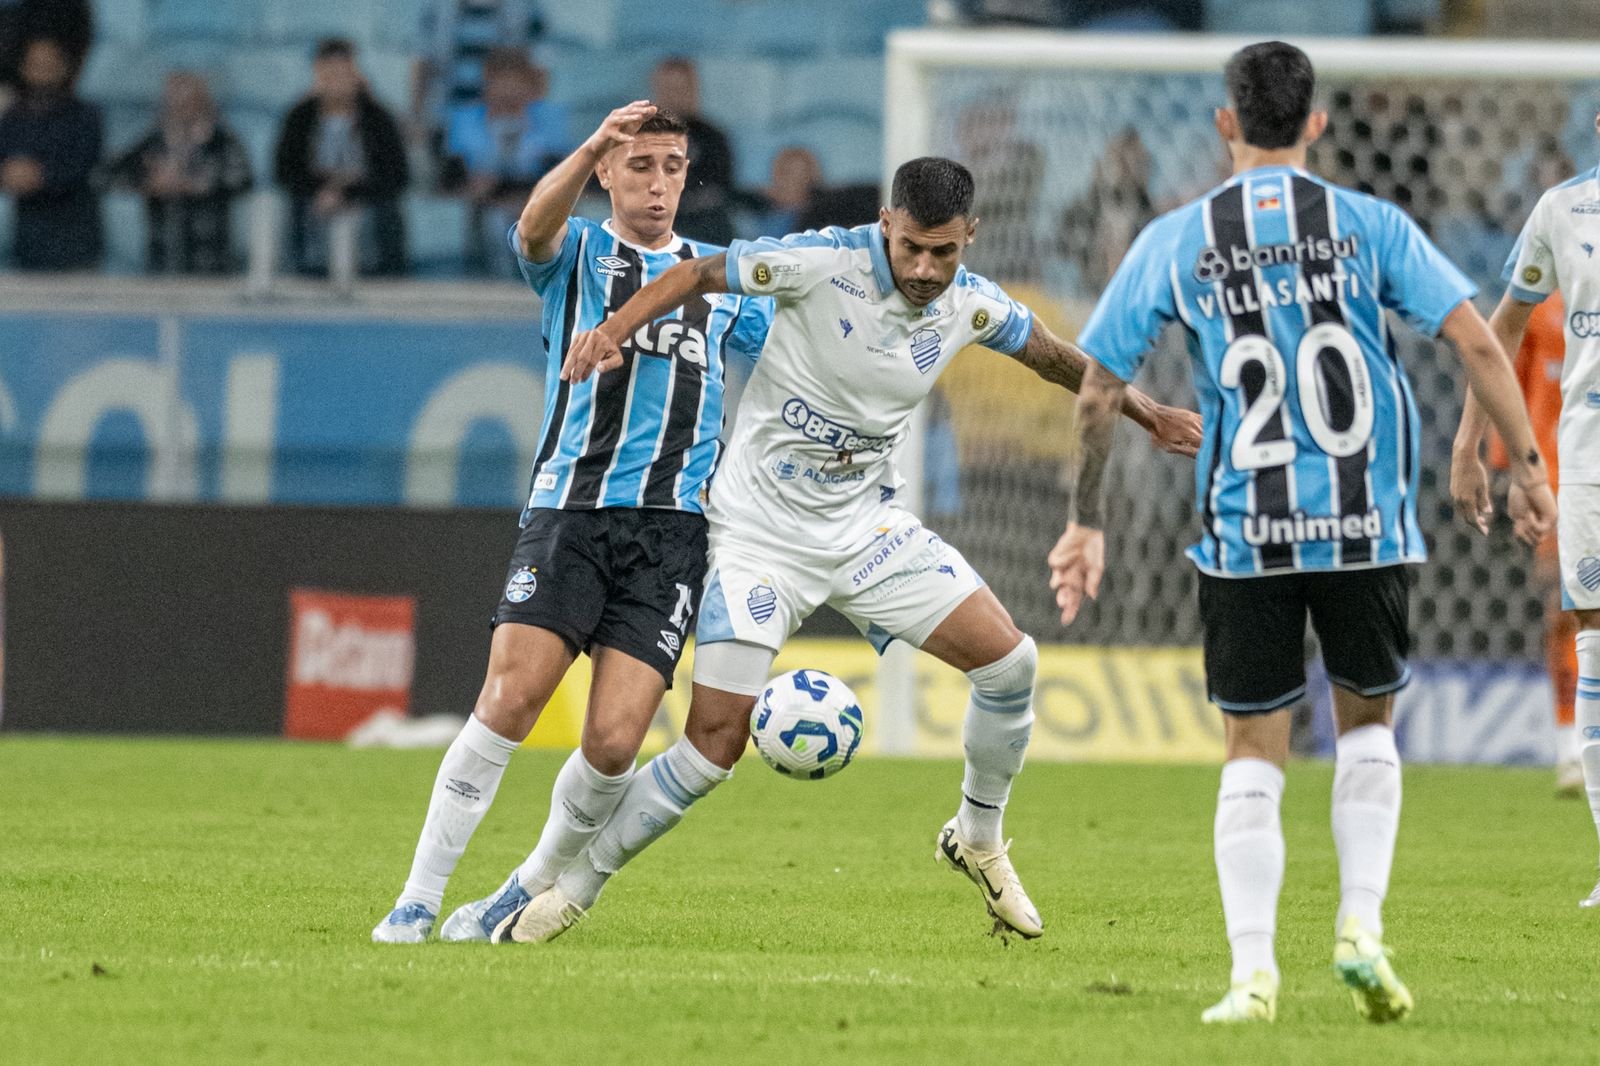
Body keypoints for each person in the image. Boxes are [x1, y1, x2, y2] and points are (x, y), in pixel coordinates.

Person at [486, 156, 1204, 945]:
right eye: (911, 248)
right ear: (887, 225)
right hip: (759, 538)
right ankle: (577, 887)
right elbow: (695, 275)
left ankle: (978, 835)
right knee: (714, 744)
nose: (925, 269)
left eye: (944, 252)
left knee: (1012, 665)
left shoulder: (969, 301)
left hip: (866, 531)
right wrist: (611, 331)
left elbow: (1055, 356)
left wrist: (1151, 414)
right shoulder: (820, 261)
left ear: (970, 237)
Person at [1047, 41, 1555, 1025]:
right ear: (1316, 123)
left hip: (1247, 531)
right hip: (1366, 523)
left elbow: (1099, 389)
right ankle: (1360, 925)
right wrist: (1522, 467)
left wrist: (1085, 519)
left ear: (1225, 124)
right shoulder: (1367, 223)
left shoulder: (1177, 237)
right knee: (1368, 728)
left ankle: (1251, 974)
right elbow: (1477, 342)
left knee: (1251, 747)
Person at [371, 101, 773, 944]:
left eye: (671, 168)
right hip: (572, 513)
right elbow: (531, 228)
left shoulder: (719, 279)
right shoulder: (581, 253)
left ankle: (518, 890)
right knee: (510, 699)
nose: (658, 184)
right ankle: (416, 898)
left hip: (672, 533)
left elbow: (794, 343)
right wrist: (592, 141)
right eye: (639, 166)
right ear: (607, 174)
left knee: (616, 743)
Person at [1451, 110, 1600, 907]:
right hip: (1575, 463)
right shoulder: (1560, 223)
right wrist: (1487, 451)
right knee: (1577, 619)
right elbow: (1499, 340)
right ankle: (1571, 750)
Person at [1478, 294, 1581, 796]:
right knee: (1565, 609)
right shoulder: (1539, 301)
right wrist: (1505, 465)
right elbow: (1509, 378)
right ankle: (1570, 748)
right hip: (1556, 476)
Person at [274, 38, 409, 278]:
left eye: (342, 72)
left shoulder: (378, 118)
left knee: (376, 214)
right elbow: (285, 171)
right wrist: (322, 191)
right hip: (314, 208)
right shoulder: (299, 118)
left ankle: (381, 276)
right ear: (318, 73)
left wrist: (349, 194)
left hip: (368, 209)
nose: (336, 81)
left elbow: (397, 175)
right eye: (329, 73)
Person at [99, 72, 253, 276]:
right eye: (174, 100)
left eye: (189, 100)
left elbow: (243, 179)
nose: (181, 107)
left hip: (210, 260)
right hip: (163, 258)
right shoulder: (153, 142)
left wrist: (197, 184)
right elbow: (105, 176)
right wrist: (148, 183)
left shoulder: (221, 142)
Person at [442, 48, 569, 276]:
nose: (508, 91)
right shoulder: (464, 119)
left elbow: (560, 167)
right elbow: (453, 173)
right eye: (500, 83)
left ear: (530, 86)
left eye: (516, 83)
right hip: (482, 196)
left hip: (534, 193)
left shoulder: (550, 118)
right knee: (495, 216)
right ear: (487, 84)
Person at [0, 36, 100, 271]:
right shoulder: (13, 116)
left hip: (74, 230)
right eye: (36, 65)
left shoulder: (84, 115)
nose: (42, 72)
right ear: (24, 68)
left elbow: (83, 164)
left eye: (48, 64)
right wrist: (8, 174)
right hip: (26, 234)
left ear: (63, 67)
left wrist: (41, 176)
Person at [410, 0, 541, 153]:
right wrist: (416, 116)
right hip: (445, 120)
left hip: (504, 125)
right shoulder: (437, 6)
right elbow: (422, 62)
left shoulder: (525, 6)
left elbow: (539, 66)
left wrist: (536, 120)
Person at [650, 58, 734, 245]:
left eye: (682, 89)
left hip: (700, 224)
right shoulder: (635, 136)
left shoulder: (713, 138)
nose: (675, 97)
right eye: (669, 89)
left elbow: (720, 189)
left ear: (694, 90)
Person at [745, 146, 820, 238]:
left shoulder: (819, 220)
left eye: (801, 175)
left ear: (813, 178)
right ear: (775, 173)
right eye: (787, 172)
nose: (792, 181)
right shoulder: (750, 212)